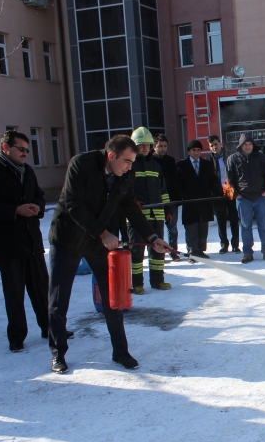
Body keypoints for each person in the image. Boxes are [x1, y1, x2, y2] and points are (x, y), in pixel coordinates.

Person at [47, 135, 172, 374]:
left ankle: (120, 351)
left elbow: (130, 209)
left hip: (99, 245)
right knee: (59, 299)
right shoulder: (81, 164)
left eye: (132, 162)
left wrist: (153, 238)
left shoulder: (126, 175)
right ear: (111, 155)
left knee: (112, 299)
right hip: (68, 239)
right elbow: (73, 204)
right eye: (126, 161)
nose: (129, 167)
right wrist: (103, 233)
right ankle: (58, 353)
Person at [0, 130, 51, 352]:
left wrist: (37, 207)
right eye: (21, 149)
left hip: (32, 242)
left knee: (41, 288)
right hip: (8, 245)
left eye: (27, 150)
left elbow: (39, 195)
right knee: (14, 293)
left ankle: (49, 327)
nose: (25, 154)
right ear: (6, 148)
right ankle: (17, 337)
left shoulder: (27, 171)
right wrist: (15, 210)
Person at [128, 127, 171, 294]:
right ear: (134, 146)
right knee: (137, 252)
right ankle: (137, 283)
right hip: (137, 217)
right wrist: (134, 202)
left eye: (148, 145)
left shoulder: (155, 166)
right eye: (141, 145)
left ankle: (158, 281)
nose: (145, 148)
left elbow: (164, 191)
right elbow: (125, 192)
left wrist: (168, 209)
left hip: (157, 215)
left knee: (158, 250)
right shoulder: (130, 166)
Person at [226, 133, 265, 263]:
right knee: (246, 226)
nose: (247, 147)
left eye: (249, 144)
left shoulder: (261, 158)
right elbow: (229, 180)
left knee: (263, 226)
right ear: (240, 145)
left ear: (253, 145)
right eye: (245, 144)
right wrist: (236, 194)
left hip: (260, 197)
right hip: (243, 199)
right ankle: (247, 253)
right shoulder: (233, 159)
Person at [176, 140, 220, 258]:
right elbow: (178, 184)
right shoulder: (181, 165)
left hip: (204, 201)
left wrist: (212, 194)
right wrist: (184, 195)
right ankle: (192, 250)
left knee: (203, 226)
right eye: (193, 150)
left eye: (198, 150)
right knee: (191, 227)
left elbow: (212, 181)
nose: (196, 153)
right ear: (189, 151)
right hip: (189, 201)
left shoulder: (207, 164)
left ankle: (200, 249)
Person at [204, 134, 240, 254]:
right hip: (217, 194)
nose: (214, 147)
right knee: (221, 220)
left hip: (230, 192)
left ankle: (235, 245)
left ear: (220, 144)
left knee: (234, 219)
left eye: (216, 144)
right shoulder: (208, 161)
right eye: (211, 145)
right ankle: (224, 244)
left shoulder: (229, 156)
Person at [152, 134, 181, 262]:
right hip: (155, 200)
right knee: (157, 229)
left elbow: (175, 181)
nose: (163, 149)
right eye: (160, 146)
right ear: (154, 147)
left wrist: (177, 197)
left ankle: (173, 251)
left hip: (171, 199)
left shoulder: (170, 161)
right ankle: (157, 252)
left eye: (165, 146)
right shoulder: (150, 162)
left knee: (172, 228)